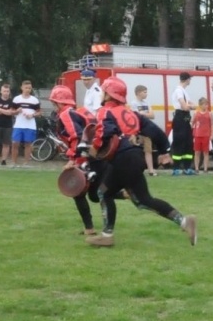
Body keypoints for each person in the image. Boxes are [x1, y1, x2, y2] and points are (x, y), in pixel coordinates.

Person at [83, 77, 196, 248]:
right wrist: (165, 151)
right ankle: (184, 221)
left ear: (108, 95)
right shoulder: (131, 113)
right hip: (137, 157)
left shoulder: (105, 111)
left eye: (104, 91)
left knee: (103, 193)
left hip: (122, 159)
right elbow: (155, 130)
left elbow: (103, 133)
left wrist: (93, 150)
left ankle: (107, 236)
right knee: (143, 200)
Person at [49, 84, 100, 236]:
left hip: (84, 156)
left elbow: (77, 138)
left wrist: (72, 159)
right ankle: (123, 193)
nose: (54, 106)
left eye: (54, 103)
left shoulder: (66, 115)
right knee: (93, 190)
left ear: (59, 102)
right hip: (94, 154)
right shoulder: (77, 112)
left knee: (78, 191)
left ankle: (90, 228)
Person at [11, 80, 40, 167]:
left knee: (28, 144)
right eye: (26, 88)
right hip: (18, 125)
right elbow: (12, 111)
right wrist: (17, 111)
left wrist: (32, 115)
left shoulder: (34, 100)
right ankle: (14, 163)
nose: (27, 90)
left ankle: (26, 163)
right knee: (15, 143)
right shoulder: (16, 99)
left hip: (30, 126)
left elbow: (39, 112)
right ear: (22, 88)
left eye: (29, 88)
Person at [130, 85, 156, 172]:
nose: (146, 94)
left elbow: (152, 115)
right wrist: (145, 114)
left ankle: (151, 170)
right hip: (138, 130)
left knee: (148, 150)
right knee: (136, 150)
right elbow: (135, 115)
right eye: (144, 92)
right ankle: (136, 169)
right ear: (138, 93)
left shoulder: (147, 103)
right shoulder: (133, 103)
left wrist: (143, 114)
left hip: (147, 130)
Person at [192, 97, 213, 172]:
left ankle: (205, 168)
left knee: (206, 152)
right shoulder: (196, 113)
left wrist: (212, 135)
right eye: (205, 104)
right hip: (197, 135)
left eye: (207, 104)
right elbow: (192, 122)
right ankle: (196, 168)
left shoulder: (209, 114)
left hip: (206, 135)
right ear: (200, 105)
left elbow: (212, 125)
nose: (206, 106)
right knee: (197, 152)